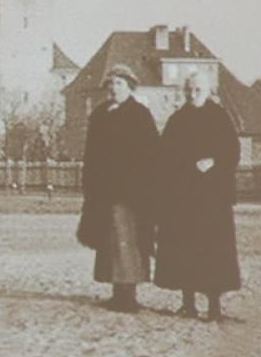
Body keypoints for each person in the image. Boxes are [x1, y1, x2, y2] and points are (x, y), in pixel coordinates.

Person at [155, 70, 242, 321]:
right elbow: (165, 156)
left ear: (208, 91)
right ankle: (188, 303)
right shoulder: (177, 119)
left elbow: (232, 152)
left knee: (213, 252)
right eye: (189, 90)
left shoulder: (220, 117)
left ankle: (214, 306)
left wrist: (214, 161)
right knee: (184, 250)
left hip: (213, 199)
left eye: (197, 90)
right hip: (183, 199)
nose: (192, 95)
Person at [76, 64, 159, 312]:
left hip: (130, 192)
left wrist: (139, 183)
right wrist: (90, 183)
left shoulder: (139, 114)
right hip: (104, 191)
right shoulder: (100, 114)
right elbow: (91, 153)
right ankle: (116, 292)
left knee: (128, 242)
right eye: (110, 84)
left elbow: (151, 154)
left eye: (119, 84)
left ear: (130, 87)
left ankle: (129, 295)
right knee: (110, 242)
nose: (113, 88)